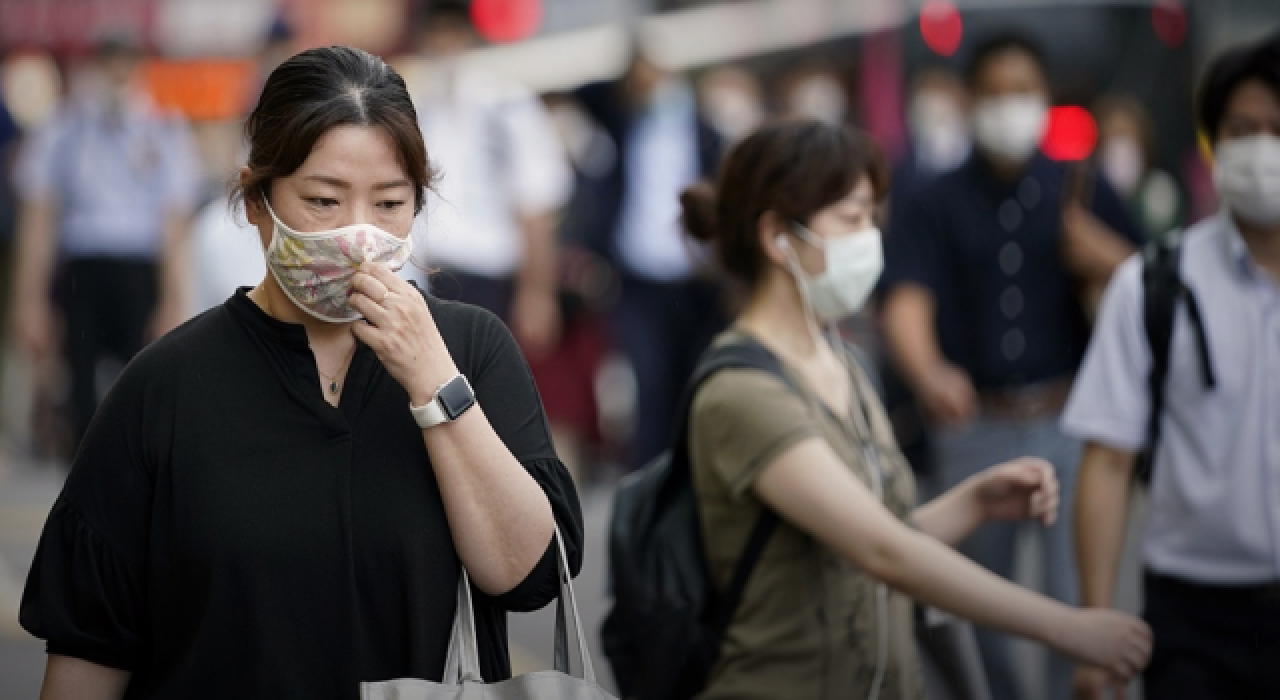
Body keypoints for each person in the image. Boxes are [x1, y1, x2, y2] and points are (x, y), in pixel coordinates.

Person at [19, 46, 583, 698]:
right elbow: (90, 651)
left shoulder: (471, 349)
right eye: (323, 201)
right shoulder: (165, 387)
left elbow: (528, 575)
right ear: (256, 199)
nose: (359, 233)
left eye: (391, 203)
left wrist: (435, 385)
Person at [679, 118, 1150, 700]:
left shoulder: (842, 362)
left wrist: (973, 503)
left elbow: (868, 531)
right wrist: (1067, 626)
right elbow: (882, 551)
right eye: (852, 220)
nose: (870, 238)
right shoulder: (741, 392)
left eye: (873, 218)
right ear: (778, 236)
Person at [879, 34, 1145, 700]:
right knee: (974, 607)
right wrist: (930, 370)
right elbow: (906, 301)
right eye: (994, 92)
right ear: (969, 99)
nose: (1008, 107)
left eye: (1022, 91)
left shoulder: (1081, 189)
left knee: (1075, 599)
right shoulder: (933, 199)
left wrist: (1103, 256)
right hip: (975, 429)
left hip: (1071, 421)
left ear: (1045, 97)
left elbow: (1152, 286)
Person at [1067, 34, 1280, 700]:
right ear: (1213, 145)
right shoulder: (1153, 282)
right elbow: (1107, 461)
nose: (1263, 149)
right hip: (1192, 615)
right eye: (1243, 131)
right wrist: (1094, 631)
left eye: (1279, 129)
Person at [9, 32, 202, 450]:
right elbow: (40, 218)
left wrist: (173, 299)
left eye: (126, 64)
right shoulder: (64, 128)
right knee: (78, 384)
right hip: (83, 267)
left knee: (142, 383)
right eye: (110, 65)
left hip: (138, 268)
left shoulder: (164, 127)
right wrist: (30, 300)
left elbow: (174, 223)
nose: (118, 76)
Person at [571, 48, 725, 469]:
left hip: (694, 281)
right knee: (648, 382)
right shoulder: (623, 123)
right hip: (636, 281)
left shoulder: (704, 131)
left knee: (692, 379)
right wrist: (630, 82)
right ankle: (650, 479)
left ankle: (691, 469)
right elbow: (582, 93)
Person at [1094, 94, 1184, 243]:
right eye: (1112, 136)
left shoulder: (1160, 191)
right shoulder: (1090, 195)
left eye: (1128, 136)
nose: (1121, 148)